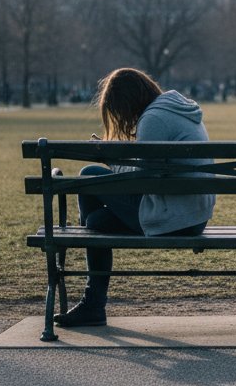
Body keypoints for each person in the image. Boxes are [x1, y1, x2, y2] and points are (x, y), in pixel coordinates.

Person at [54, 68, 216, 328]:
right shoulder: (176, 107)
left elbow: (141, 181)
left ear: (127, 102)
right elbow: (149, 172)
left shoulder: (153, 119)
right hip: (194, 215)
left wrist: (109, 159)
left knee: (89, 179)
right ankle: (92, 300)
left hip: (173, 217)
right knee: (95, 215)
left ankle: (93, 304)